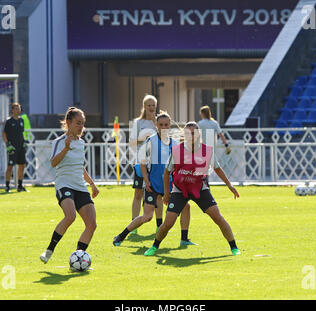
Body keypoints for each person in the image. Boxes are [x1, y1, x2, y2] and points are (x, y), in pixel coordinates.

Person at [144, 122, 241, 256]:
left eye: (194, 133)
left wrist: (229, 185)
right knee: (168, 223)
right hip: (179, 189)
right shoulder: (177, 150)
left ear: (199, 134)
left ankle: (234, 247)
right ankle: (154, 246)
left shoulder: (207, 150)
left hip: (199, 188)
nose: (191, 136)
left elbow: (217, 169)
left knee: (218, 217)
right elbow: (166, 173)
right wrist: (167, 194)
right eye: (188, 133)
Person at [113, 112, 194, 246]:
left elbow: (177, 166)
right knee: (147, 217)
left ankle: (184, 239)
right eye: (160, 125)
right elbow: (142, 163)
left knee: (186, 207)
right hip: (154, 185)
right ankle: (121, 236)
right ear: (156, 125)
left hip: (169, 186)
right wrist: (146, 180)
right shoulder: (151, 140)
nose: (163, 127)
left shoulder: (174, 143)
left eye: (166, 125)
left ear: (170, 125)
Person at [40, 107, 99, 264]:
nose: (81, 126)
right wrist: (66, 148)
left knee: (92, 224)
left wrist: (92, 184)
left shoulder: (81, 143)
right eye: (78, 123)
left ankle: (79, 259)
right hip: (64, 184)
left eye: (83, 123)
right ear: (68, 123)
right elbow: (53, 163)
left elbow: (80, 166)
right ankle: (49, 250)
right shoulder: (59, 142)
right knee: (70, 216)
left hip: (80, 186)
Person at [128, 94, 163, 234]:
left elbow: (165, 139)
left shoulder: (159, 122)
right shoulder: (138, 122)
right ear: (144, 106)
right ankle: (133, 226)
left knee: (159, 195)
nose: (151, 107)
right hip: (141, 162)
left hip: (156, 164)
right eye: (149, 105)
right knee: (137, 194)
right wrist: (144, 138)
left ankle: (159, 225)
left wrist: (156, 125)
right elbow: (131, 141)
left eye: (153, 105)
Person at [2, 102, 28, 192]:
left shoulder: (21, 120)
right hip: (12, 148)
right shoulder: (9, 121)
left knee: (22, 166)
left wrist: (24, 142)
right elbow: (4, 134)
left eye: (19, 108)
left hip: (21, 147)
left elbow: (22, 133)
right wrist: (8, 145)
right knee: (10, 167)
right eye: (16, 108)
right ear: (12, 110)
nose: (18, 110)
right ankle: (7, 186)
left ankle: (20, 186)